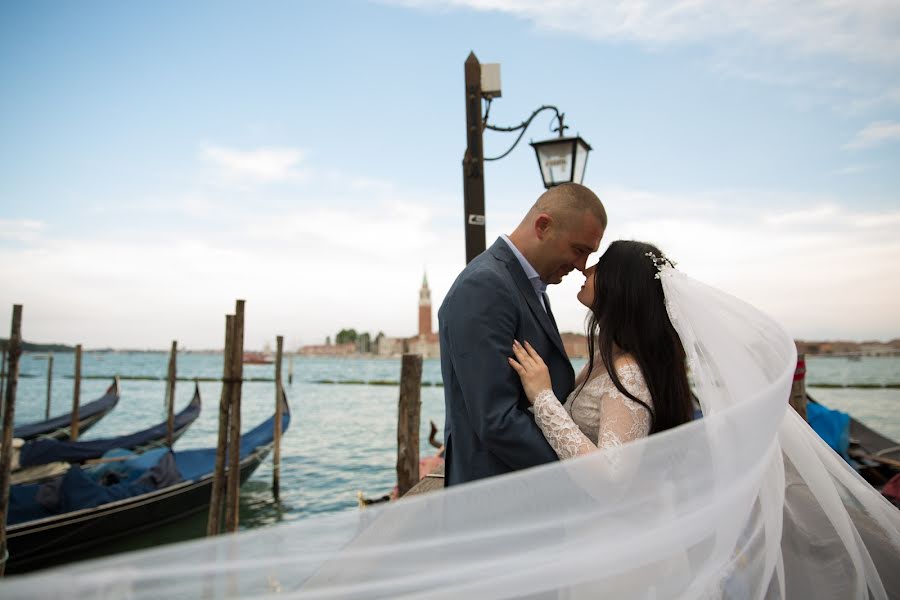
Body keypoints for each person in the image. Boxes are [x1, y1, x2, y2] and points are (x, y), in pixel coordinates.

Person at [439, 182, 607, 485]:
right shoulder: (485, 286)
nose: (582, 266)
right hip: (497, 501)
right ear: (543, 226)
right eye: (579, 250)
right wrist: (579, 470)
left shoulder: (530, 285)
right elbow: (496, 420)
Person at [509, 240, 695, 458]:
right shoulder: (605, 358)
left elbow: (611, 475)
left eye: (601, 265)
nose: (586, 269)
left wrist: (543, 398)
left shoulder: (628, 373)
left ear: (621, 285)